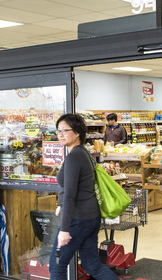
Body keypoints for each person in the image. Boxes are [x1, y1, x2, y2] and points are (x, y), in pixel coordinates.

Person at [49, 113, 118, 280]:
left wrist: (64, 230)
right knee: (91, 265)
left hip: (77, 220)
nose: (61, 134)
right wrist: (61, 204)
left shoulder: (74, 157)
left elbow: (71, 194)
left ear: (78, 132)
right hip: (90, 217)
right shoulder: (83, 152)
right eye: (58, 131)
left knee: (56, 265)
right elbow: (79, 186)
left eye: (65, 130)